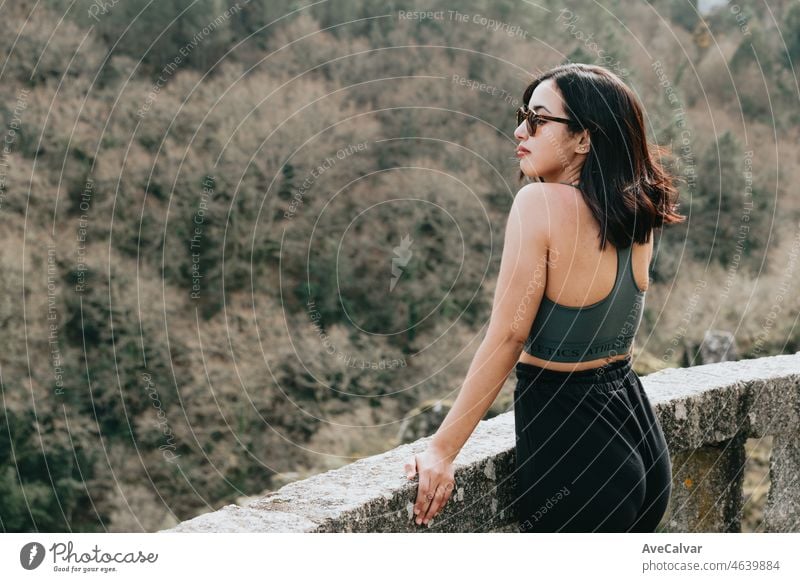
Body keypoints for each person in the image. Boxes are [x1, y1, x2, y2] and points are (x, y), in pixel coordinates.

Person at [403, 63, 685, 532]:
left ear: (584, 138)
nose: (519, 130)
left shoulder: (540, 204)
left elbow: (509, 335)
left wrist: (441, 450)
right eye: (522, 115)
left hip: (575, 456)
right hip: (638, 441)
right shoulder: (634, 213)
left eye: (537, 119)